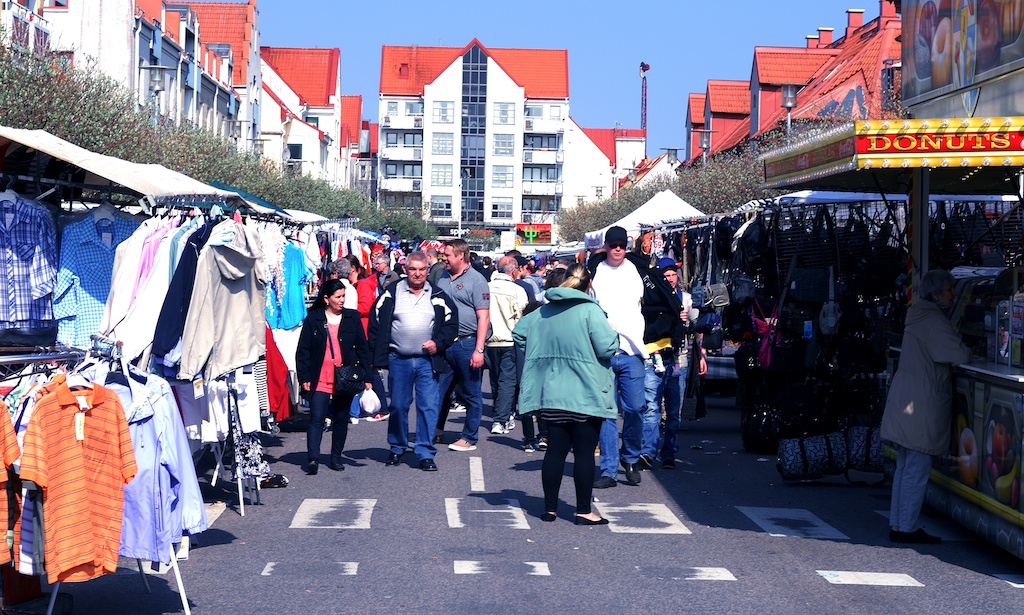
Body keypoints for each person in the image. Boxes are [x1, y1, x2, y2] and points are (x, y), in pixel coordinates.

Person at [513, 263, 619, 524]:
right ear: (588, 284)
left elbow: (519, 334)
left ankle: (550, 509)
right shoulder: (590, 311)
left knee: (555, 451)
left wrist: (540, 352)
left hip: (551, 391)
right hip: (585, 392)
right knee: (583, 452)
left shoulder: (544, 312)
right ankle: (584, 510)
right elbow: (607, 348)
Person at [882, 269, 970, 544]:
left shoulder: (918, 314)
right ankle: (906, 529)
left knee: (905, 466)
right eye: (948, 289)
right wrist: (970, 351)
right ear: (935, 294)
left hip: (907, 399)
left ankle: (898, 524)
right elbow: (957, 353)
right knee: (916, 468)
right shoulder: (934, 321)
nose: (953, 294)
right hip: (920, 402)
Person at [368, 252, 458, 471]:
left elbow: (451, 325)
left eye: (422, 269)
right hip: (399, 359)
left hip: (428, 362)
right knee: (398, 406)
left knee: (428, 406)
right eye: (413, 269)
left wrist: (438, 343)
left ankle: (425, 452)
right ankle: (397, 447)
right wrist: (377, 356)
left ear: (427, 270)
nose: (417, 273)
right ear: (405, 270)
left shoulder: (438, 294)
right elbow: (375, 324)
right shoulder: (391, 293)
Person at [587, 226, 649, 488]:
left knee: (635, 408)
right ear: (605, 245)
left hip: (632, 350)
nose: (617, 249)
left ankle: (631, 457)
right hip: (603, 353)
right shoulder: (594, 271)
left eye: (621, 244)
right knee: (607, 413)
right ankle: (608, 469)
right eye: (613, 244)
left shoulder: (637, 269)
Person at [295, 279, 373, 475]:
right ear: (326, 299)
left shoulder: (352, 317)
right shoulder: (314, 318)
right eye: (338, 297)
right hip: (319, 376)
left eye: (343, 296)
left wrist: (368, 376)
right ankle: (313, 458)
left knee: (341, 418)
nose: (342, 300)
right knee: (317, 418)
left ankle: (335, 457)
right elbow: (303, 350)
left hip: (344, 376)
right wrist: (304, 376)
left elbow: (363, 348)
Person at [435, 239, 491, 451]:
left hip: (467, 344)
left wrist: (479, 349)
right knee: (438, 392)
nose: (444, 259)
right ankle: (435, 431)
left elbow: (483, 317)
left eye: (448, 255)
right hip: (445, 344)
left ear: (460, 256)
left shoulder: (476, 280)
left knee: (471, 393)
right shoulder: (443, 277)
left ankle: (469, 437)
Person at [657, 258, 706, 469]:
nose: (670, 279)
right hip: (657, 357)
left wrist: (702, 354)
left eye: (672, 275)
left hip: (680, 359)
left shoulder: (686, 299)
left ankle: (669, 452)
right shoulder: (652, 298)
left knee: (674, 411)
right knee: (650, 409)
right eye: (665, 275)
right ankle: (648, 449)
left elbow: (697, 328)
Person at [486, 255, 529, 435]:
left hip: (489, 340)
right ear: (513, 271)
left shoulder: (486, 287)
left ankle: (501, 413)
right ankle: (501, 418)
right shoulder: (517, 290)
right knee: (508, 380)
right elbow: (522, 317)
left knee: (495, 379)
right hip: (510, 340)